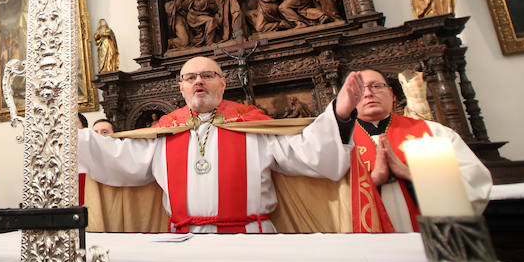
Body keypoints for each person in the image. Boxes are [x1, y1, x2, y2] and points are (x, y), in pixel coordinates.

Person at [77, 56, 363, 234]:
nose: (198, 81)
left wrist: (339, 114)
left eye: (207, 75)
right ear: (182, 87)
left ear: (223, 84)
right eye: (190, 78)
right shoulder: (165, 130)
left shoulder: (251, 123)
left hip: (252, 240)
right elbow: (118, 157)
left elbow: (304, 152)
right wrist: (69, 133)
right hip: (185, 242)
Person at [350, 69, 491, 233]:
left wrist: (410, 174)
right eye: (360, 89)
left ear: (391, 93)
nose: (368, 93)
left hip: (435, 237)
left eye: (376, 86)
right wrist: (373, 180)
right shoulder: (338, 144)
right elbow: (329, 204)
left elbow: (476, 185)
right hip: (366, 241)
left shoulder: (435, 133)